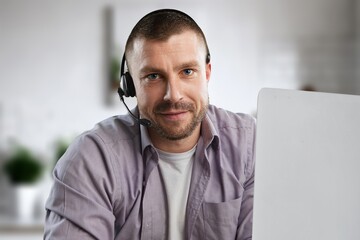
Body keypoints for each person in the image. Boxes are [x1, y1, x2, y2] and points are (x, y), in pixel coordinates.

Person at [44, 9, 256, 240]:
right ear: (131, 86)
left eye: (187, 71)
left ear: (206, 73)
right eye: (153, 76)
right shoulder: (91, 159)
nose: (173, 96)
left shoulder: (250, 145)